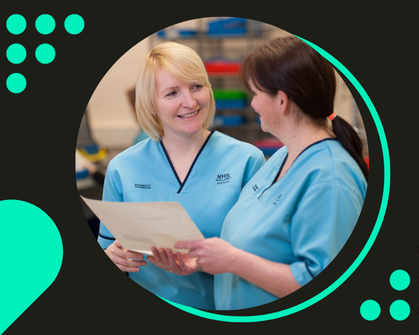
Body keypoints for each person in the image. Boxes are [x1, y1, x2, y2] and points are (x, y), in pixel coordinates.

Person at [162, 36, 368, 310]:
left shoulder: (330, 177)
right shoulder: (281, 158)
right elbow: (259, 252)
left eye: (256, 94)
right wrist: (205, 263)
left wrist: (233, 260)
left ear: (281, 101)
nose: (253, 104)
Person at [97, 41, 266, 310]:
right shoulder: (123, 169)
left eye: (196, 86)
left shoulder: (247, 160)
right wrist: (113, 256)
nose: (190, 102)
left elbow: (263, 255)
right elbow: (107, 252)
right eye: (172, 92)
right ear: (151, 103)